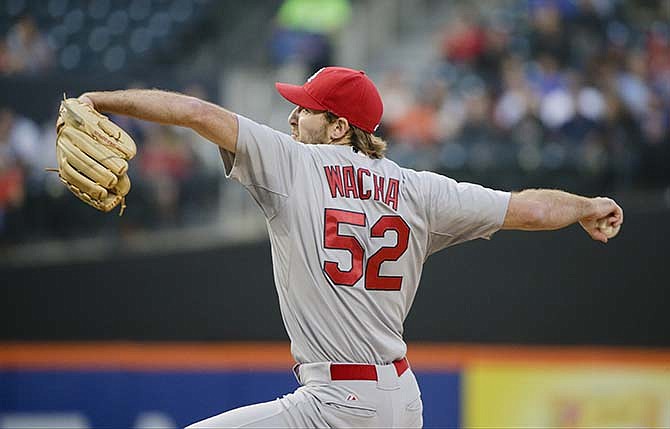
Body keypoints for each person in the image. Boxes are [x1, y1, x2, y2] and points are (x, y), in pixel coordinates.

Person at [78, 66, 623, 428]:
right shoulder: (420, 189)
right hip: (403, 400)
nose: (292, 116)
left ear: (339, 127)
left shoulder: (292, 164)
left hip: (336, 403)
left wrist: (98, 99)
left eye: (306, 109)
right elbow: (524, 207)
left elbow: (197, 112)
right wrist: (585, 207)